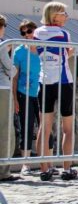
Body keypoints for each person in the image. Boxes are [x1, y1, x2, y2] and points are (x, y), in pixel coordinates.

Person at [35, 2, 77, 181]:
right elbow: (65, 54)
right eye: (63, 13)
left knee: (44, 128)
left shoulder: (36, 32)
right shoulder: (63, 34)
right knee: (67, 127)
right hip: (63, 80)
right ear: (54, 16)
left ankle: (44, 169)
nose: (66, 16)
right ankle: (67, 168)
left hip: (44, 81)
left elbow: (38, 53)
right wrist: (70, 53)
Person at [12, 19, 41, 175]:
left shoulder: (43, 48)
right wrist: (15, 99)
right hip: (24, 93)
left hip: (42, 91)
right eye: (23, 32)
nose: (26, 35)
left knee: (45, 127)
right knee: (27, 127)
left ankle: (46, 163)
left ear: (35, 31)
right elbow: (14, 78)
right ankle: (26, 164)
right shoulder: (19, 52)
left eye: (29, 31)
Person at [0, 15, 19, 182]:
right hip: (2, 89)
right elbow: (11, 70)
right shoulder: (2, 45)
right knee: (5, 129)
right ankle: (3, 171)